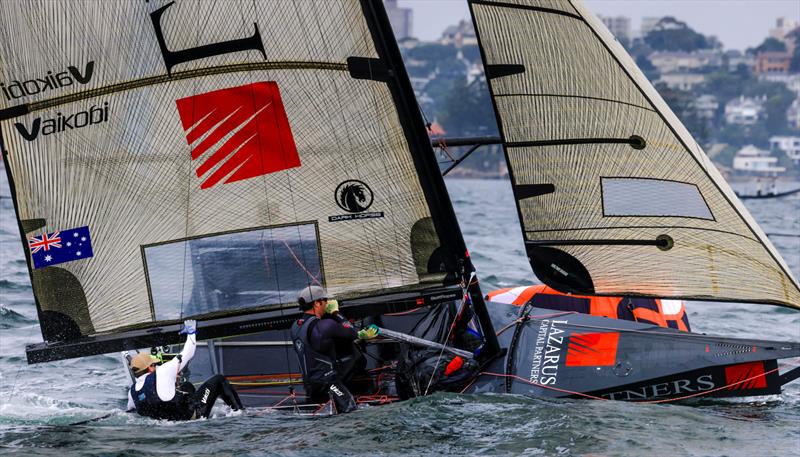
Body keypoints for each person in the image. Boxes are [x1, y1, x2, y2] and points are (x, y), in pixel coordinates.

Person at [126, 319, 244, 420]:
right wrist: (191, 332)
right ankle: (241, 413)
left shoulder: (132, 394)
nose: (157, 366)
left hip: (167, 425)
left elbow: (131, 411)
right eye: (155, 364)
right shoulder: (163, 371)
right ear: (150, 368)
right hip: (194, 417)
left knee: (187, 386)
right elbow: (189, 352)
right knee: (219, 380)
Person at [290, 286, 379, 414]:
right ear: (317, 303)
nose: (327, 303)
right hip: (329, 383)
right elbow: (352, 331)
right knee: (350, 409)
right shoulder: (325, 325)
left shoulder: (295, 326)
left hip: (309, 385)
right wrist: (336, 313)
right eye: (325, 300)